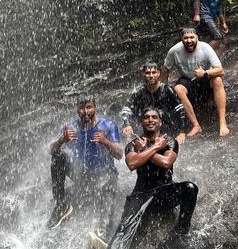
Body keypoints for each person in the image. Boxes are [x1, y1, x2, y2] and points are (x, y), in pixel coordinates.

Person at [107, 107, 198, 249]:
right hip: (140, 196)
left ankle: (179, 234)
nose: (150, 120)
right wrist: (153, 148)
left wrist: (145, 150)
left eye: (154, 117)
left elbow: (166, 163)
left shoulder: (169, 142)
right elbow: (132, 163)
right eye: (146, 117)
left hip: (164, 193)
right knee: (122, 236)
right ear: (141, 123)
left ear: (160, 123)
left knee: (190, 188)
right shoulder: (133, 145)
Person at [48, 96, 123, 237]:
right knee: (58, 156)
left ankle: (103, 233)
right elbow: (50, 151)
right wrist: (61, 140)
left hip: (106, 176)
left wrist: (105, 141)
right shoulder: (70, 128)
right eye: (81, 108)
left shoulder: (108, 125)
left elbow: (119, 154)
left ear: (95, 107)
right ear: (77, 110)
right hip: (82, 175)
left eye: (88, 107)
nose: (85, 111)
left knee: (107, 213)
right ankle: (61, 204)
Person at [161, 28, 229, 137]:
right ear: (181, 39)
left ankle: (222, 122)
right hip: (187, 79)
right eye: (186, 38)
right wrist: (164, 87)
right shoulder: (174, 51)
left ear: (197, 38)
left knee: (218, 80)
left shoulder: (205, 48)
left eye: (192, 37)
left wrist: (205, 73)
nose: (189, 40)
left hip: (205, 77)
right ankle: (196, 125)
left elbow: (220, 69)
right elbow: (165, 69)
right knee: (178, 89)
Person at [120, 62, 187, 145]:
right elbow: (126, 110)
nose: (151, 76)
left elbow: (180, 110)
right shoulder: (139, 92)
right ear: (143, 74)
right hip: (146, 131)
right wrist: (127, 125)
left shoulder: (167, 90)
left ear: (159, 73)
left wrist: (182, 132)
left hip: (167, 130)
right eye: (148, 73)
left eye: (154, 72)